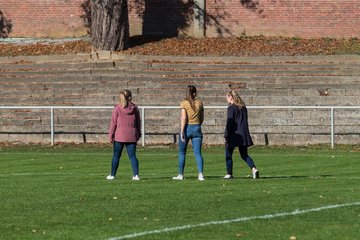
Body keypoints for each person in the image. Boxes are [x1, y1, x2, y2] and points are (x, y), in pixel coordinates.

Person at [224, 89, 259, 179]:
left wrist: (226, 134)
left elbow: (230, 123)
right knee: (244, 154)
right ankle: (253, 168)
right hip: (243, 134)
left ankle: (229, 173)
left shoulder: (231, 108)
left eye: (227, 96)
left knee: (228, 154)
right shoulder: (243, 107)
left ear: (231, 97)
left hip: (234, 134)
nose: (226, 98)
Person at [107, 90, 141, 180]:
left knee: (116, 156)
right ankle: (136, 175)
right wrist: (139, 132)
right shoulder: (135, 108)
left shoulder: (117, 108)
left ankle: (112, 175)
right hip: (131, 136)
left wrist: (110, 135)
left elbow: (113, 123)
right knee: (132, 156)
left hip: (119, 136)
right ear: (130, 97)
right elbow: (138, 122)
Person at [173, 85, 205, 181]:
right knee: (198, 153)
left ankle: (181, 174)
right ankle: (200, 174)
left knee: (182, 152)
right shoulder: (200, 102)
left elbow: (184, 118)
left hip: (187, 127)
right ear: (194, 93)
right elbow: (202, 117)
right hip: (197, 127)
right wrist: (198, 125)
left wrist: (182, 130)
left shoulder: (184, 103)